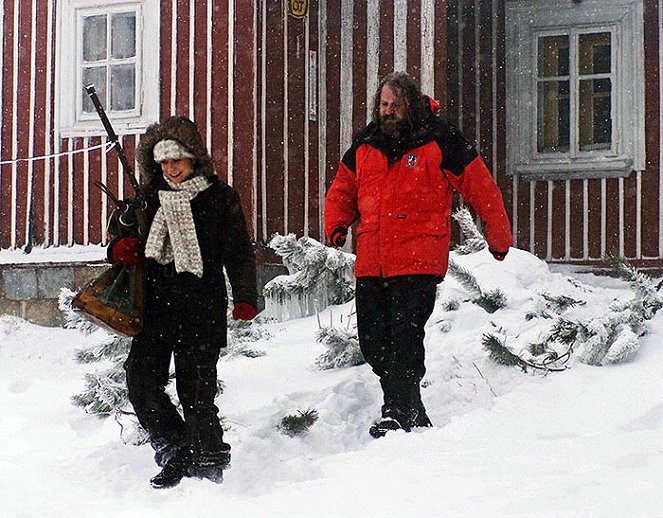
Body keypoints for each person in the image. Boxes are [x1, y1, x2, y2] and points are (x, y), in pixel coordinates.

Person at [324, 72, 512, 438]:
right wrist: (337, 223)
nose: (389, 112)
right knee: (374, 341)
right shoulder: (366, 143)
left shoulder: (440, 138)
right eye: (383, 105)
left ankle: (395, 411)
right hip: (373, 259)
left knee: (405, 337)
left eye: (395, 105)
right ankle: (412, 406)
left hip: (419, 257)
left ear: (410, 104)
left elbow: (480, 185)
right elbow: (343, 187)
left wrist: (497, 233)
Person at [108, 116, 258, 488]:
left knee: (197, 394)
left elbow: (238, 253)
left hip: (201, 311)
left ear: (194, 158)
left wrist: (245, 296)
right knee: (140, 380)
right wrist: (120, 249)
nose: (170, 169)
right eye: (163, 162)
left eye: (177, 160)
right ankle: (175, 449)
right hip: (155, 311)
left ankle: (208, 462)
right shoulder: (147, 200)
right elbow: (116, 243)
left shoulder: (220, 199)